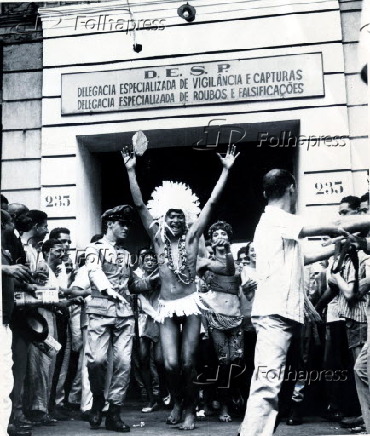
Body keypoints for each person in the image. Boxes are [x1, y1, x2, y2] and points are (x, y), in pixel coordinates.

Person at [239, 169, 370, 436]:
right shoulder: (276, 218)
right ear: (292, 188)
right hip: (275, 317)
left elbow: (304, 257)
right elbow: (330, 225)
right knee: (267, 385)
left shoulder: (276, 224)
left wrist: (337, 246)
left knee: (271, 385)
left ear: (266, 192)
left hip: (281, 316)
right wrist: (353, 226)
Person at [122, 143, 239, 430]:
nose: (176, 219)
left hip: (190, 303)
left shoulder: (192, 237)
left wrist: (225, 171)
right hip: (166, 305)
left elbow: (211, 202)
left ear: (186, 217)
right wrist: (131, 171)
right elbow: (138, 205)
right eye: (171, 215)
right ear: (163, 216)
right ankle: (176, 400)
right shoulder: (157, 239)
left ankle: (189, 409)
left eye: (180, 215)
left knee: (188, 362)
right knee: (169, 363)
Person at [85, 205, 137, 432]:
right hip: (99, 310)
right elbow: (95, 273)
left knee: (124, 363)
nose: (126, 229)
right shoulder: (93, 249)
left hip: (124, 314)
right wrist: (109, 290)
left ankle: (114, 412)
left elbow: (132, 284)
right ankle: (98, 398)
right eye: (122, 224)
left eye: (128, 225)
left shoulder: (127, 254)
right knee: (96, 360)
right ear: (110, 224)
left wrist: (160, 278)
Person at [198, 221, 244, 423]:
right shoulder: (205, 263)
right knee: (223, 361)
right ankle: (222, 403)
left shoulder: (236, 264)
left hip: (236, 317)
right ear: (211, 239)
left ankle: (233, 397)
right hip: (215, 317)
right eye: (216, 234)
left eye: (224, 233)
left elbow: (237, 279)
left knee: (237, 361)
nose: (220, 237)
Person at [129, 248, 168, 413]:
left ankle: (164, 394)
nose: (150, 261)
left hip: (160, 318)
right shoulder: (136, 276)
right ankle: (151, 398)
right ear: (142, 261)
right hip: (143, 320)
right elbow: (136, 290)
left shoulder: (163, 275)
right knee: (143, 358)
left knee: (160, 360)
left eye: (153, 259)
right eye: (147, 259)